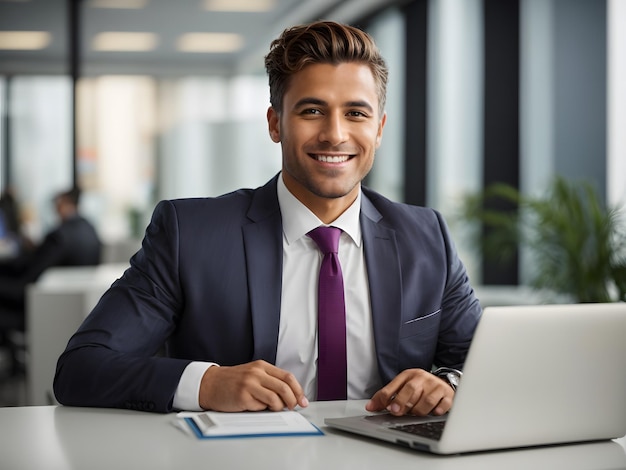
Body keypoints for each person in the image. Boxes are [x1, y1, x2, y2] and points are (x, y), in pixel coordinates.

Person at [54, 21, 482, 416]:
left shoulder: (426, 236)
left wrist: (447, 383)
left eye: (356, 113)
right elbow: (82, 368)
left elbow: (477, 363)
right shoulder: (191, 234)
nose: (335, 133)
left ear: (380, 129)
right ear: (276, 123)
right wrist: (205, 383)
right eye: (312, 111)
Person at [0, 187, 102, 325]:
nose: (55, 209)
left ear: (65, 203)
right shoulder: (90, 230)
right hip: (69, 305)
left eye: (57, 204)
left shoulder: (59, 236)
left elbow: (28, 281)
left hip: (39, 304)